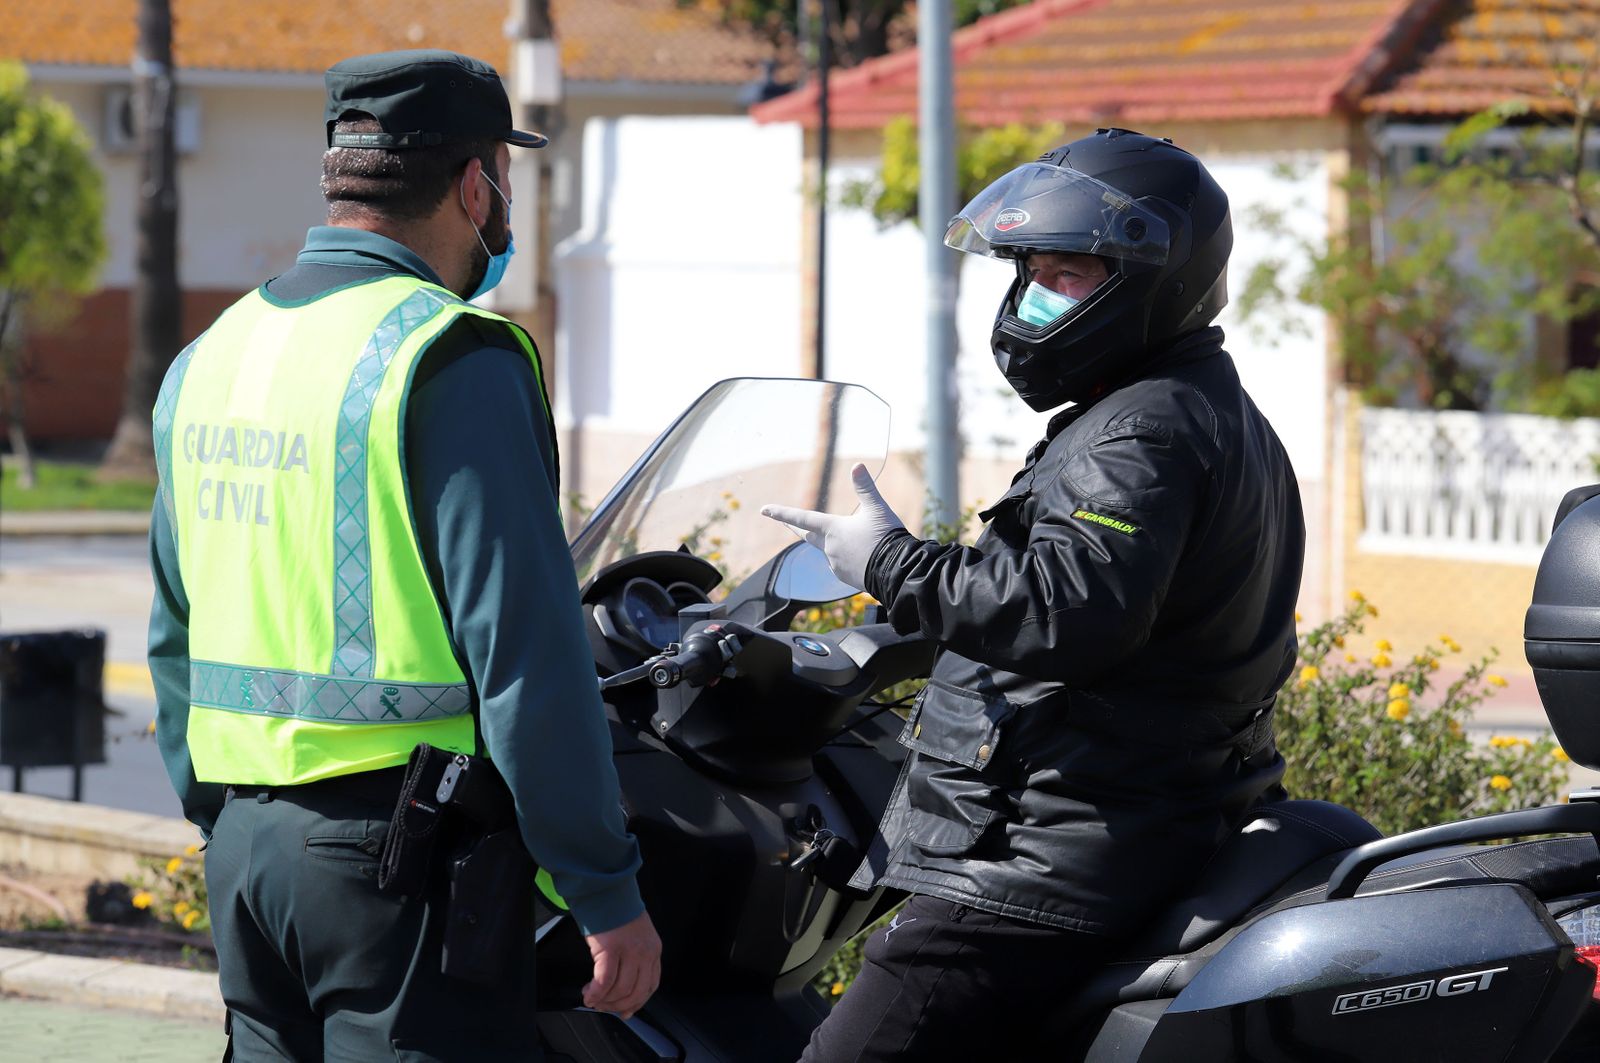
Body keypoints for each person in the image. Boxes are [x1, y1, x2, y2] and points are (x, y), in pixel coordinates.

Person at [147, 49, 660, 1060]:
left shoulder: (213, 354)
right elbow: (525, 653)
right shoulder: (449, 352)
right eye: (504, 178)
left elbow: (174, 630)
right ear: (477, 185)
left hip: (248, 855)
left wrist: (229, 823)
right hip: (401, 868)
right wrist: (601, 885)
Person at [763, 127, 1304, 1061]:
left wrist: (891, 563)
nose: (1033, 300)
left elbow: (1066, 610)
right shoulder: (1198, 407)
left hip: (1056, 859)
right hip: (1132, 823)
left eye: (1067, 276)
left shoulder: (1144, 431)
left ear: (1153, 279)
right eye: (1029, 274)